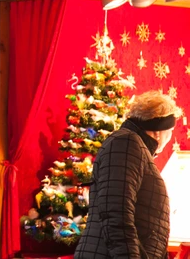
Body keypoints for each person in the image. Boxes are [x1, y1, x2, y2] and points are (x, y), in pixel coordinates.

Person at [75, 90, 178, 259]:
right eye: (171, 129)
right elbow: (116, 214)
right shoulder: (126, 142)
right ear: (159, 131)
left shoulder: (134, 147)